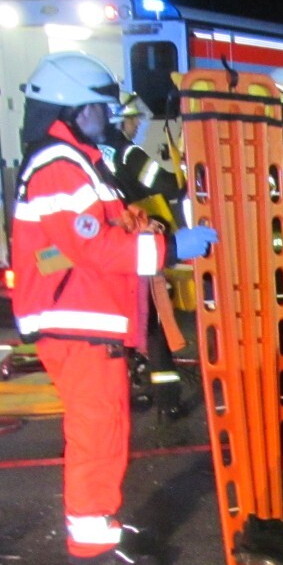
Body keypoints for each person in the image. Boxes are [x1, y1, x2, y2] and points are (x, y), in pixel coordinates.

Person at [11, 51, 218, 565]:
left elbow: (99, 230)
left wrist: (140, 225)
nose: (107, 117)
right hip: (76, 320)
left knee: (106, 428)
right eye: (100, 108)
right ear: (75, 108)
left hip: (85, 319)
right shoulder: (59, 165)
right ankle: (92, 548)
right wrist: (169, 248)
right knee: (97, 434)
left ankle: (101, 526)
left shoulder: (74, 161)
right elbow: (92, 247)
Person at [103, 92, 187, 416]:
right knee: (152, 322)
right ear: (118, 120)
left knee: (115, 323)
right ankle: (168, 401)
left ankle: (124, 388)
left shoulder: (91, 154)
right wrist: (186, 172)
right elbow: (165, 184)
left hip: (108, 249)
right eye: (132, 118)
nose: (137, 123)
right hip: (135, 248)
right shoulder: (128, 154)